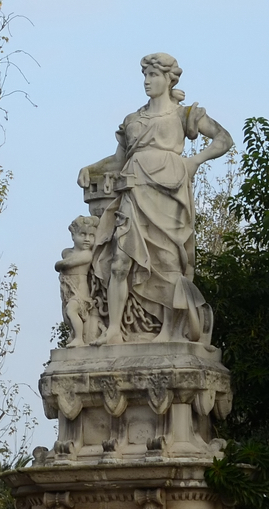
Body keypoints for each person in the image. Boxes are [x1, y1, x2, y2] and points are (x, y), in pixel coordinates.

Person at [77, 53, 232, 345]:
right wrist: (90, 169)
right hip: (134, 189)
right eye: (145, 75)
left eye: (153, 75)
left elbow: (223, 140)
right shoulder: (133, 119)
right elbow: (118, 159)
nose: (147, 81)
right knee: (121, 261)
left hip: (169, 190)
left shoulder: (184, 114)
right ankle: (114, 331)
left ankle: (170, 331)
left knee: (168, 261)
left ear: (168, 78)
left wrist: (195, 161)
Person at [56, 216, 101, 347]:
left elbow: (65, 264)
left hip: (80, 292)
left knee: (71, 310)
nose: (87, 239)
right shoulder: (69, 252)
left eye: (91, 235)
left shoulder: (86, 254)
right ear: (73, 236)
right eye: (83, 234)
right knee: (66, 315)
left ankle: (79, 339)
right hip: (67, 291)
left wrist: (59, 263)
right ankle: (73, 334)